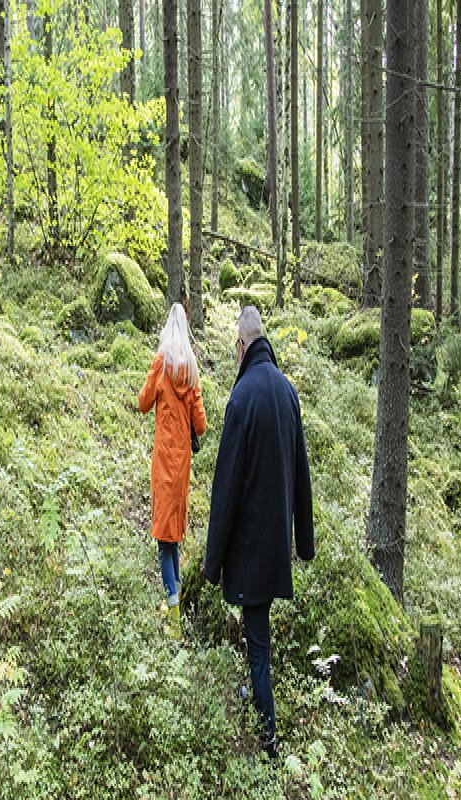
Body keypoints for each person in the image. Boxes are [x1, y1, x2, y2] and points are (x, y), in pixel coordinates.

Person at [202, 305, 314, 760]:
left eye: (234, 347)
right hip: (276, 548)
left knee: (259, 646)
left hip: (249, 549)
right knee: (259, 638)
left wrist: (212, 563)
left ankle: (268, 739)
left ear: (242, 345)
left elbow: (225, 488)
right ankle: (259, 703)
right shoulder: (287, 392)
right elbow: (301, 473)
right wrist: (303, 544)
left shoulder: (241, 397)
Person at [138, 302, 207, 639]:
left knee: (163, 537)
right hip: (182, 465)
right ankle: (175, 597)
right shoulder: (192, 370)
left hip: (164, 460)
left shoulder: (162, 362)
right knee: (172, 534)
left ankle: (174, 612)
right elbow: (202, 424)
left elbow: (142, 402)